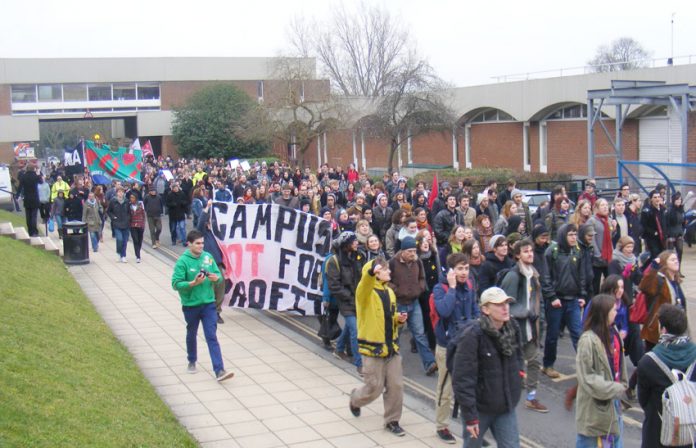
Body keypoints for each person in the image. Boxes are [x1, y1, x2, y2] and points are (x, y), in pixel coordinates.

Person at [452, 287, 523, 448]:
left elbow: (519, 355)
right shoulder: (472, 335)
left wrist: (519, 374)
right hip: (479, 409)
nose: (505, 307)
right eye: (498, 304)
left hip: (505, 406)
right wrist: (470, 418)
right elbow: (463, 379)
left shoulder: (512, 327)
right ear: (485, 309)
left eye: (506, 302)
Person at [349, 258, 409, 437]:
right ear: (376, 272)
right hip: (373, 349)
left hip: (391, 348)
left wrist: (397, 319)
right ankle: (355, 399)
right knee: (373, 388)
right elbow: (363, 285)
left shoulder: (389, 292)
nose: (389, 272)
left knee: (396, 386)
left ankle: (392, 420)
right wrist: (370, 273)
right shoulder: (365, 293)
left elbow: (387, 316)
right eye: (386, 270)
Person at [171, 230, 234, 382]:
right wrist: (192, 283)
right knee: (191, 333)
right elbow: (175, 284)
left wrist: (215, 277)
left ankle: (219, 370)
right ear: (189, 244)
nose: (201, 246)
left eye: (202, 243)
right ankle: (192, 360)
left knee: (211, 336)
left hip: (208, 304)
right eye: (197, 243)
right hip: (191, 305)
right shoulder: (182, 262)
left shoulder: (208, 257)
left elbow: (218, 278)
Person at [432, 253, 479, 444]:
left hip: (467, 345)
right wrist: (451, 288)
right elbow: (443, 310)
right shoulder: (440, 288)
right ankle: (442, 426)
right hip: (448, 346)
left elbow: (475, 310)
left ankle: (472, 427)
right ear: (451, 271)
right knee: (445, 389)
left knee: (470, 389)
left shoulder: (469, 286)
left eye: (466, 268)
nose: (464, 272)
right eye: (460, 268)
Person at [637, 304, 696, 448]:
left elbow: (643, 400)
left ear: (663, 329)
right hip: (688, 432)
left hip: (658, 433)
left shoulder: (648, 362)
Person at [500, 239, 548, 413]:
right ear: (518, 255)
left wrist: (541, 322)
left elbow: (538, 302)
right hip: (515, 329)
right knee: (513, 364)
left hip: (531, 328)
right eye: (526, 251)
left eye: (531, 251)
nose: (530, 254)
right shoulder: (513, 276)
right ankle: (506, 396)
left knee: (534, 360)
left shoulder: (534, 275)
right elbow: (506, 304)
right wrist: (526, 312)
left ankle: (531, 397)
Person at [575, 293, 627, 447]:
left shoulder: (614, 333)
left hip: (613, 402)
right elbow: (587, 377)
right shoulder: (587, 340)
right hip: (594, 410)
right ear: (603, 314)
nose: (616, 312)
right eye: (613, 310)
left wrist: (623, 387)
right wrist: (615, 388)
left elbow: (620, 366)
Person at [542, 224, 587, 379]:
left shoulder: (577, 252)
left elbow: (582, 275)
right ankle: (548, 365)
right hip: (557, 301)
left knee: (577, 334)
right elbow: (546, 277)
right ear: (563, 235)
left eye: (575, 234)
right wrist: (552, 297)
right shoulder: (552, 252)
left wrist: (582, 295)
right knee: (552, 335)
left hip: (573, 299)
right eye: (571, 235)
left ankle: (586, 366)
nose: (574, 237)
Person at [389, 236, 437, 375]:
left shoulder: (418, 262)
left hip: (414, 303)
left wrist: (419, 288)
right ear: (403, 251)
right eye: (409, 251)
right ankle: (393, 365)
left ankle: (429, 364)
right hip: (399, 304)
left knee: (420, 334)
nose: (412, 254)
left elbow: (422, 278)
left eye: (414, 251)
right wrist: (397, 290)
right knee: (395, 336)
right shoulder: (393, 263)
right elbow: (386, 280)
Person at [328, 232, 363, 375]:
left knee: (350, 327)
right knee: (356, 330)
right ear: (346, 244)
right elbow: (334, 286)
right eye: (354, 241)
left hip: (358, 299)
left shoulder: (358, 257)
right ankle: (359, 363)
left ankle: (339, 348)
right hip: (346, 301)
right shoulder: (334, 261)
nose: (357, 243)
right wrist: (349, 296)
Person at [639, 250, 686, 350]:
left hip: (676, 331)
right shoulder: (659, 280)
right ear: (664, 263)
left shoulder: (676, 282)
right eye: (672, 260)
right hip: (658, 332)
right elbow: (644, 287)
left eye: (676, 259)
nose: (676, 261)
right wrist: (653, 268)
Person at [197, 200, 227, 324]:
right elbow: (200, 222)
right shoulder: (203, 233)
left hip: (218, 265)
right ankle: (206, 311)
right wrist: (207, 207)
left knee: (220, 288)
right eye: (210, 221)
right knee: (209, 288)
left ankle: (216, 312)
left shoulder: (218, 234)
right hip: (207, 265)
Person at [106, 187, 130, 263]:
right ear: (117, 193)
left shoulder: (126, 201)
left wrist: (128, 219)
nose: (120, 193)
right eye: (119, 192)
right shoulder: (113, 201)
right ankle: (119, 253)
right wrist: (113, 217)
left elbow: (129, 212)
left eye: (122, 192)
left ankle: (123, 256)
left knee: (125, 241)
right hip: (117, 223)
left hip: (125, 224)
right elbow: (109, 211)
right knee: (119, 239)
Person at [641, 189, 667, 259]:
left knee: (663, 256)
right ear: (651, 199)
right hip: (652, 238)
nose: (657, 199)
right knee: (655, 256)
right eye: (655, 197)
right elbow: (644, 225)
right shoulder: (647, 211)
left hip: (662, 238)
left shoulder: (663, 209)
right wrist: (653, 232)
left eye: (658, 197)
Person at [19, 164, 42, 236]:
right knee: (34, 216)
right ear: (33, 169)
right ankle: (34, 231)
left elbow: (20, 187)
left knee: (28, 216)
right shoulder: (35, 176)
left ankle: (30, 231)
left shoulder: (23, 176)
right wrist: (38, 173)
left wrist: (17, 195)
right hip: (34, 198)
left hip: (27, 198)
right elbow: (41, 181)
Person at [666, 192, 685, 274]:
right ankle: (670, 270)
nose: (679, 201)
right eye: (677, 199)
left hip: (679, 234)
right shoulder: (670, 210)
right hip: (671, 234)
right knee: (670, 253)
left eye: (680, 199)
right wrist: (668, 235)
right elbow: (667, 223)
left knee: (680, 251)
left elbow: (682, 223)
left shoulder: (681, 210)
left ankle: (678, 270)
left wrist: (682, 231)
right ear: (673, 200)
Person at [166, 182, 189, 247]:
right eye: (174, 188)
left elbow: (186, 201)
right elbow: (167, 204)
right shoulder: (170, 194)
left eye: (176, 187)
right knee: (173, 229)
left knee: (182, 228)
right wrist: (172, 204)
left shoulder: (182, 193)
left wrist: (183, 203)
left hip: (181, 213)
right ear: (172, 189)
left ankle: (184, 241)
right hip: (173, 214)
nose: (176, 189)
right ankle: (173, 240)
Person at [128, 193, 146, 263]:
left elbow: (143, 215)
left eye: (132, 197)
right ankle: (138, 256)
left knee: (140, 240)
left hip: (140, 224)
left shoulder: (141, 205)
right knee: (135, 240)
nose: (131, 199)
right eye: (130, 198)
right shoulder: (129, 206)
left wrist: (143, 224)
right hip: (132, 225)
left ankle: (138, 250)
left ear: (136, 198)